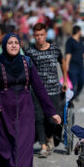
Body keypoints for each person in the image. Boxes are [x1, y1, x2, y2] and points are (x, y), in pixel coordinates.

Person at [0, 33, 61, 167]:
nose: (13, 46)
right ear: (4, 45)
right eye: (9, 43)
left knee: (24, 150)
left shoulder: (27, 63)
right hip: (1, 112)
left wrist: (51, 112)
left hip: (25, 111)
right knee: (5, 152)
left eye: (16, 43)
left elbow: (39, 88)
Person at [25, 23, 68, 157]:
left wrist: (65, 80)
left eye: (42, 35)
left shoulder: (55, 49)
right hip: (37, 90)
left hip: (54, 89)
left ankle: (49, 137)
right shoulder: (29, 51)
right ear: (34, 36)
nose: (39, 38)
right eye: (37, 35)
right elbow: (26, 69)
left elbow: (62, 62)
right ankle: (43, 146)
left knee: (52, 119)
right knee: (39, 117)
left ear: (46, 35)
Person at [65, 25, 84, 101]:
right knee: (73, 84)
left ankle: (74, 95)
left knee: (82, 81)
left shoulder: (80, 41)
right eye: (81, 31)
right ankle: (70, 100)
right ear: (78, 31)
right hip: (73, 66)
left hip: (80, 66)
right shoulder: (70, 41)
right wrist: (67, 64)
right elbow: (68, 53)